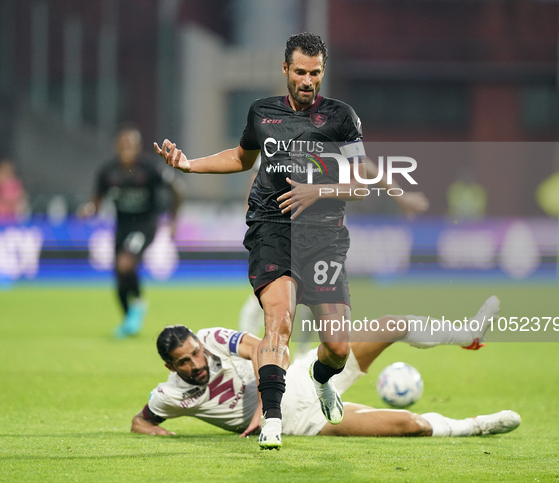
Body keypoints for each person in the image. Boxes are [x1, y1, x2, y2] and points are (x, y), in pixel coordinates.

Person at [155, 32, 427, 449]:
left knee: (336, 347)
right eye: (300, 72)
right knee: (278, 322)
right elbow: (242, 158)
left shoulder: (341, 118)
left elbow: (359, 183)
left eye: (315, 73)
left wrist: (317, 191)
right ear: (285, 69)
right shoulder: (261, 113)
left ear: (323, 71)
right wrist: (190, 165)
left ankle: (322, 381)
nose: (307, 80)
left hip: (323, 237)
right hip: (271, 228)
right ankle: (274, 421)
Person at [130, 315, 520, 446]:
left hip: (302, 377)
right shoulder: (170, 396)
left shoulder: (214, 340)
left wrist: (266, 411)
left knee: (393, 326)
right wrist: (160, 434)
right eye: (185, 361)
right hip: (304, 421)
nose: (197, 363)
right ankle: (477, 427)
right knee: (408, 424)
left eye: (196, 352)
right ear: (171, 365)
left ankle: (467, 334)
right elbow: (141, 421)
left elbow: (262, 350)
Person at [81, 124, 183, 338]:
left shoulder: (150, 168)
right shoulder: (107, 171)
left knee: (125, 262)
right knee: (119, 274)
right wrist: (90, 209)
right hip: (122, 226)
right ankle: (130, 317)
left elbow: (178, 190)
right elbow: (97, 200)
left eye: (132, 144)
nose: (127, 148)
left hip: (145, 225)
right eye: (123, 144)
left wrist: (173, 220)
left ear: (138, 147)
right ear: (116, 146)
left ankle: (137, 305)